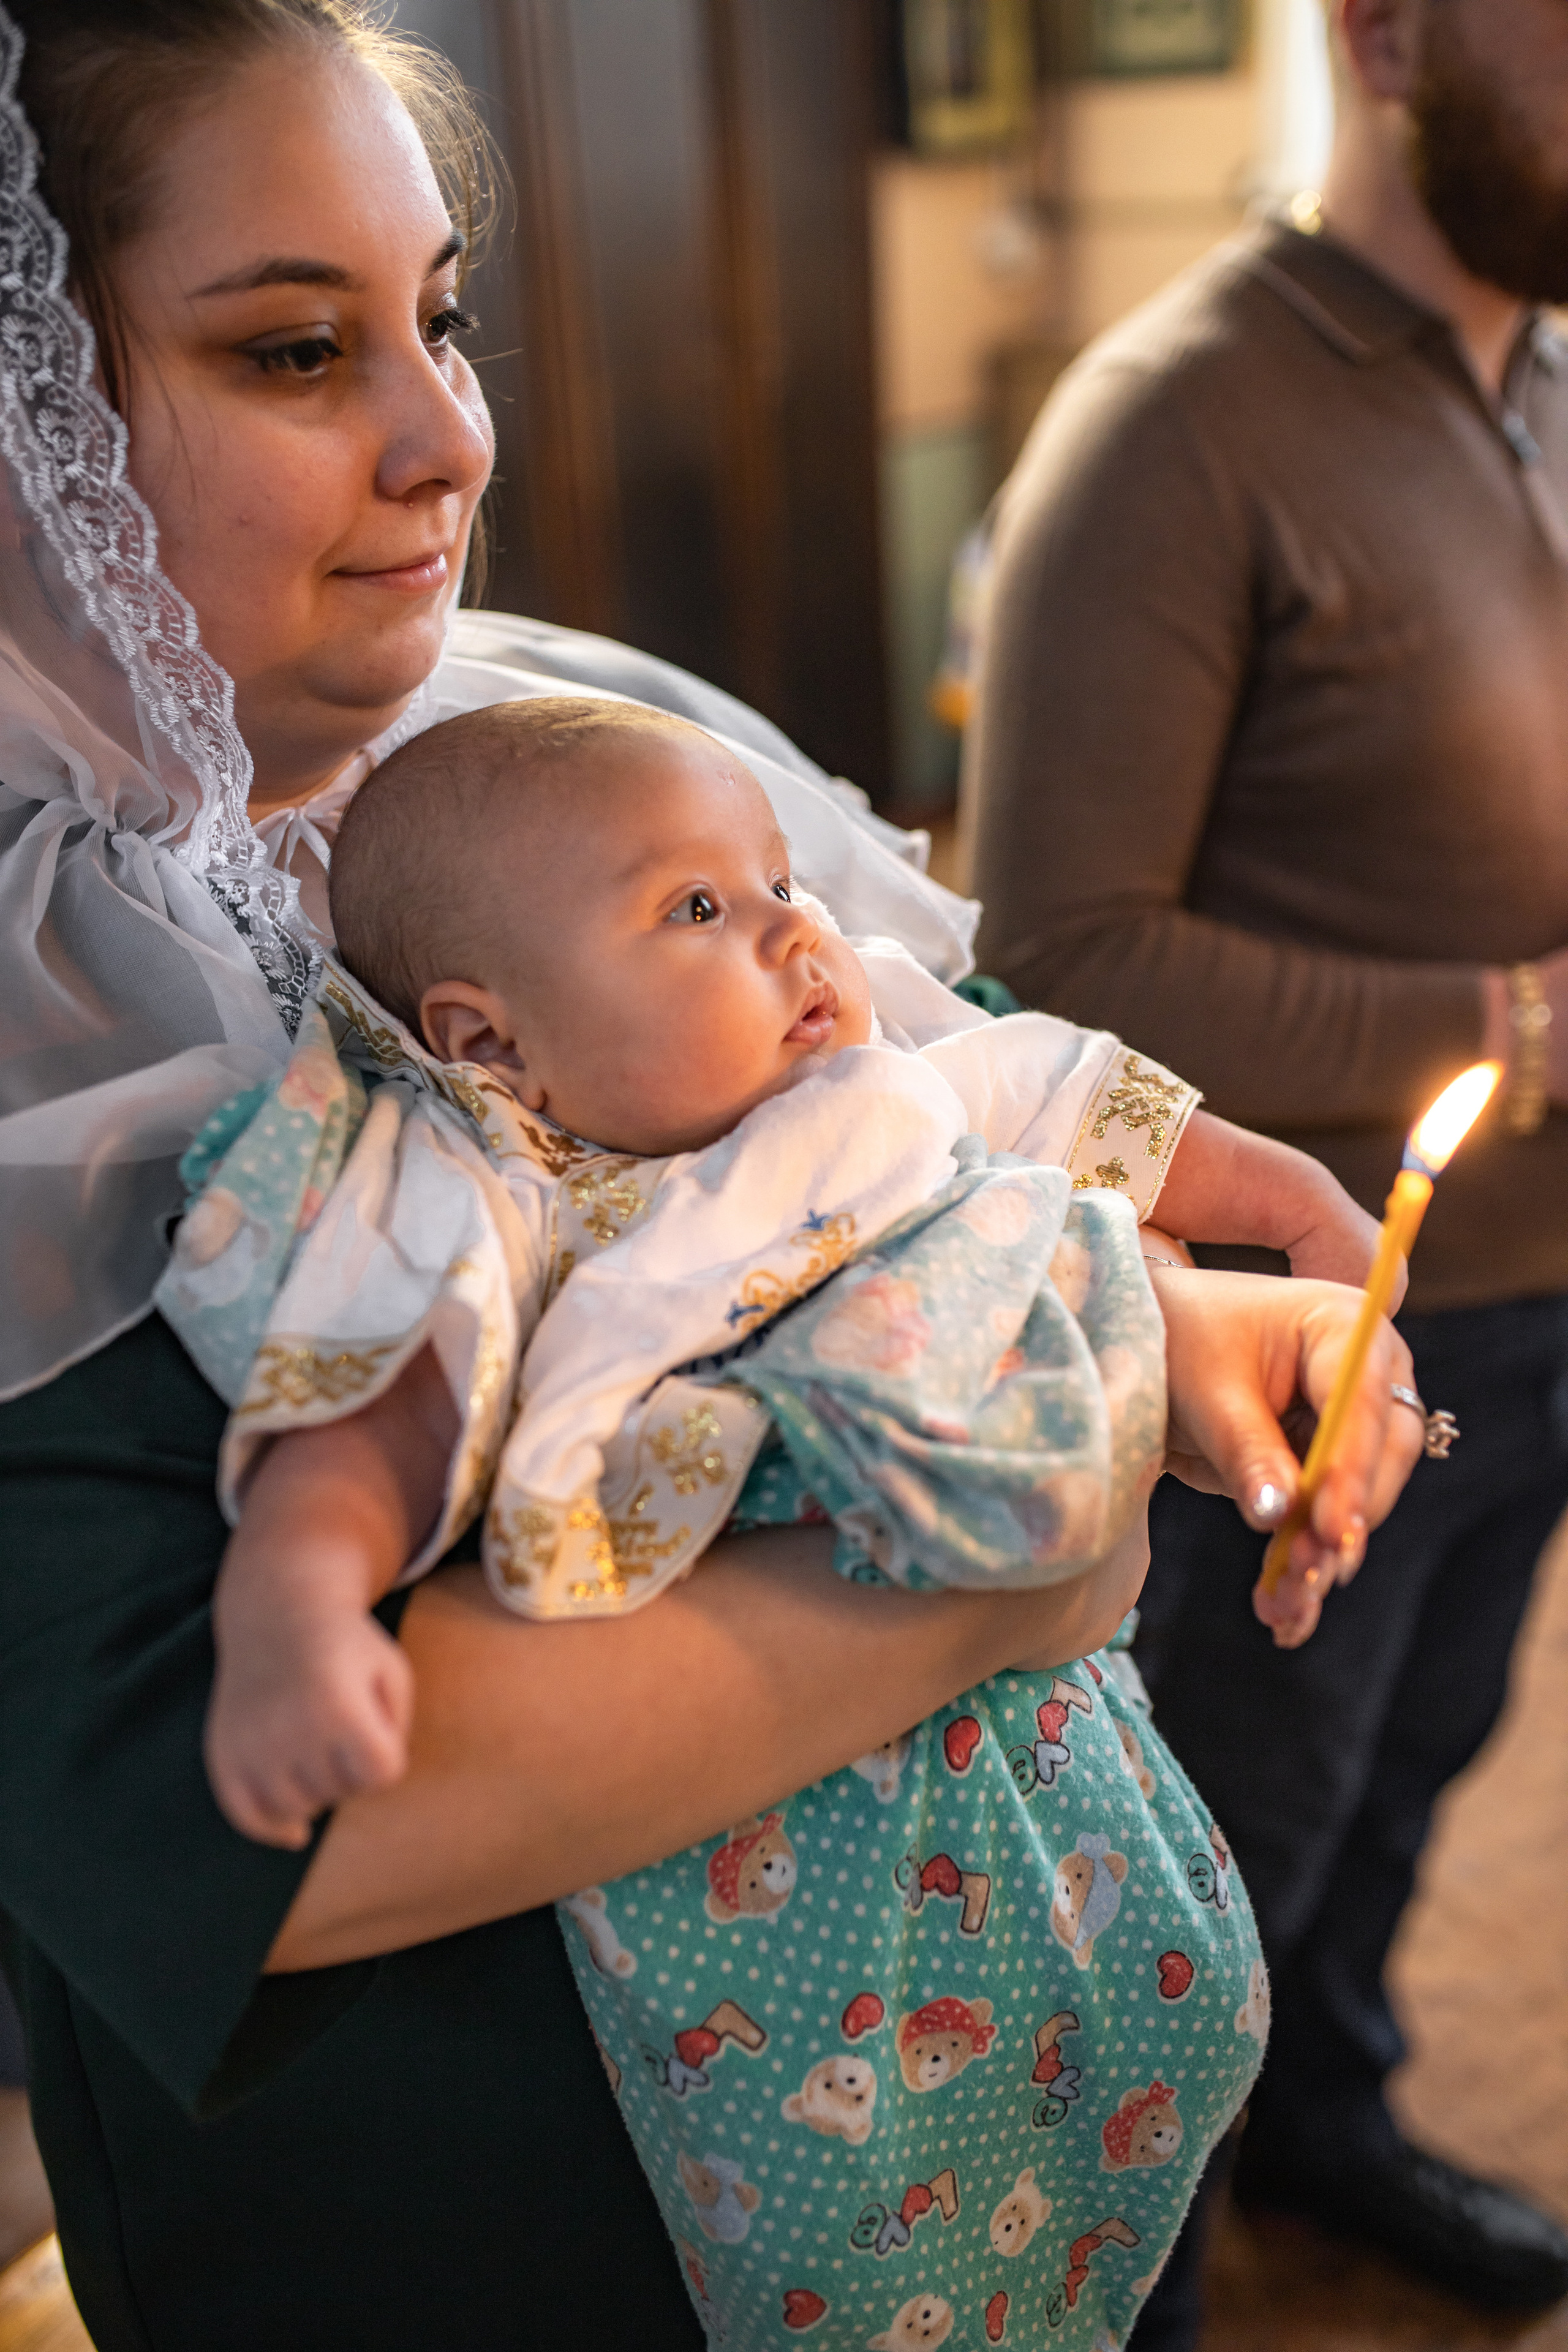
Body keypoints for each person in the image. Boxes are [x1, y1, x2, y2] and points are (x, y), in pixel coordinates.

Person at [0, 4, 1419, 2348]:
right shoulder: (57, 1030)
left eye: (440, 317)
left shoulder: (515, 776)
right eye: (289, 348)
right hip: (480, 2234)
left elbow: (853, 1157)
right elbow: (246, 1832)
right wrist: (1034, 1524)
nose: (450, 434)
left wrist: (1167, 1302)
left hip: (991, 2063)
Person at [157, 690, 1398, 2346]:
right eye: (696, 911)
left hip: (1040, 1718)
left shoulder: (863, 1070)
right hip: (766, 1820)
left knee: (1125, 1995)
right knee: (858, 2155)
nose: (791, 930)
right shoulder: (490, 1181)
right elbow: (377, 1406)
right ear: (487, 1038)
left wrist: (1304, 1210)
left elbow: (1071, 1095)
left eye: (776, 881)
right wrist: (300, 1608)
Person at [965, 0, 1568, 2324]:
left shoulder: (1540, 379)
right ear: (1391, 31)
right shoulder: (1172, 423)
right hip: (1293, 1347)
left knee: (1418, 1768)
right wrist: (1508, 1026)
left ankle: (1334, 2126)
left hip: (1534, 1304)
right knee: (1227, 1844)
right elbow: (1060, 957)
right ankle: (1156, 2281)